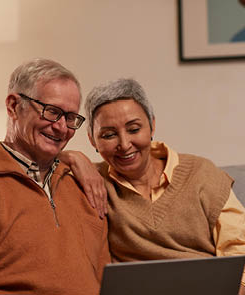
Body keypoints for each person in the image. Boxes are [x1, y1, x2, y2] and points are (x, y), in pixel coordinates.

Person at [0, 58, 110, 295]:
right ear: (14, 106)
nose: (62, 128)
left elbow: (110, 282)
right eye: (52, 112)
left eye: (69, 117)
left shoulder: (84, 183)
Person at [60, 78, 245, 294]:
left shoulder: (202, 173)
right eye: (109, 135)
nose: (124, 144)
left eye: (134, 129)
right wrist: (70, 157)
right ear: (92, 140)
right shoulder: (91, 181)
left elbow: (239, 247)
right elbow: (26, 162)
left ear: (152, 125)